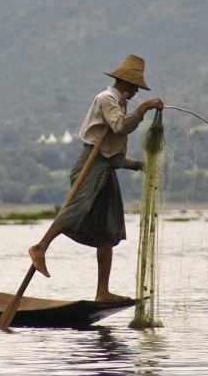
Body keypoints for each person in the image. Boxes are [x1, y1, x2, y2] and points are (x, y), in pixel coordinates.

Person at [29, 54, 164, 302]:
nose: (135, 92)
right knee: (77, 208)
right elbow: (121, 127)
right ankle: (40, 247)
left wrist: (139, 165)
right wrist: (143, 109)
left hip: (104, 168)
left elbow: (113, 157)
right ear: (124, 83)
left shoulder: (119, 104)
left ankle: (102, 292)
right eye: (134, 87)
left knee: (107, 229)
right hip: (89, 165)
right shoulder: (107, 100)